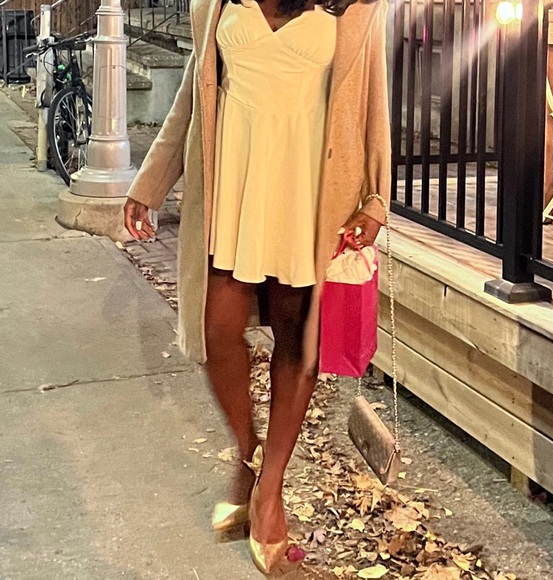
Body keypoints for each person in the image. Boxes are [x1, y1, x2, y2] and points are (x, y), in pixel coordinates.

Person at [123, 0, 390, 574]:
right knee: (216, 329)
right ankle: (249, 458)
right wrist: (151, 180)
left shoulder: (356, 8)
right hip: (233, 181)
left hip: (310, 183)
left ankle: (269, 493)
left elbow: (371, 102)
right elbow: (195, 95)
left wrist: (375, 197)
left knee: (297, 338)